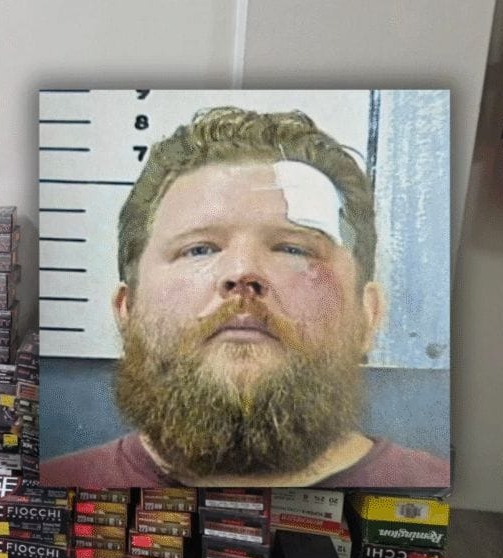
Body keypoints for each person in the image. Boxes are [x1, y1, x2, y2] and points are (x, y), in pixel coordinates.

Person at [41, 107, 450, 488]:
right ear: (127, 311)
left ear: (368, 314)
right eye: (198, 249)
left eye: (293, 249)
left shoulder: (439, 498)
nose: (242, 273)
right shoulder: (53, 489)